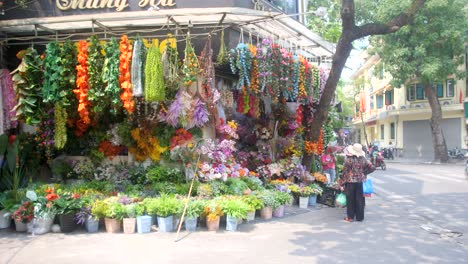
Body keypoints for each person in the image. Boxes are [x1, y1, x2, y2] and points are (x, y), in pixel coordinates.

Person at [339, 143, 375, 222]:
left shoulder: (349, 159)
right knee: (360, 200)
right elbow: (372, 167)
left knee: (350, 200)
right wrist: (364, 173)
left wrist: (341, 183)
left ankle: (350, 217)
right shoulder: (363, 159)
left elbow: (345, 172)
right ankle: (360, 217)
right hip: (360, 182)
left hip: (350, 181)